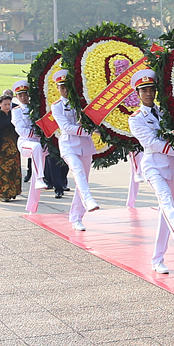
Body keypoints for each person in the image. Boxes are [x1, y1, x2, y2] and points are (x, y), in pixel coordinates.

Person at [128, 68, 174, 268]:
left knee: (167, 212)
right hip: (154, 167)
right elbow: (151, 142)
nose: (149, 94)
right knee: (165, 202)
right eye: (144, 90)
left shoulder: (166, 112)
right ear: (138, 94)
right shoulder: (135, 118)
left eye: (151, 89)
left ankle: (157, 259)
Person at [51, 68, 101, 231]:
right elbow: (65, 127)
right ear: (57, 88)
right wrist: (89, 131)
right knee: (77, 171)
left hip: (85, 146)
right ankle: (88, 200)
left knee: (82, 180)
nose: (65, 90)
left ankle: (76, 217)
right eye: (62, 87)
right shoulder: (57, 106)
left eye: (67, 86)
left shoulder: (81, 103)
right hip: (69, 145)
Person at [11, 80, 48, 214]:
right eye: (20, 96)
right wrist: (37, 132)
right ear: (17, 97)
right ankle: (40, 178)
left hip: (39, 142)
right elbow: (21, 130)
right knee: (36, 148)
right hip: (26, 142)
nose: (24, 97)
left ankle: (32, 207)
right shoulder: (16, 111)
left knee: (41, 151)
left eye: (25, 94)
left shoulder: (36, 108)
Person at [0, 94, 22, 202]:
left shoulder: (15, 114)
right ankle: (2, 193)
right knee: (2, 171)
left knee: (14, 170)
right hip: (2, 147)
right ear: (0, 104)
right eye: (5, 104)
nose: (7, 106)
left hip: (14, 146)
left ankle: (13, 192)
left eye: (9, 104)